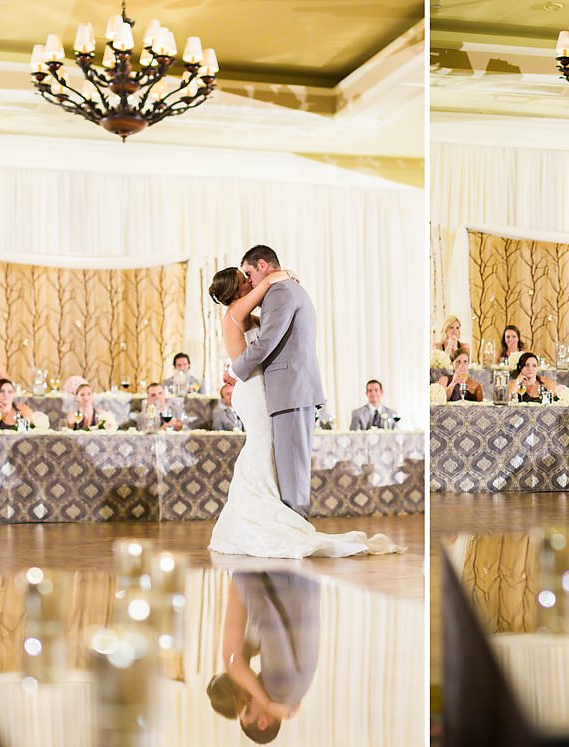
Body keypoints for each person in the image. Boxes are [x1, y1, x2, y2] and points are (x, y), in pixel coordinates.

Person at [207, 253, 400, 558]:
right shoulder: (234, 312)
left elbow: (270, 327)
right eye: (245, 279)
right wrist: (274, 276)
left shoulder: (246, 314)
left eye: (250, 275)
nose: (250, 282)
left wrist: (276, 278)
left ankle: (269, 516)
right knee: (263, 447)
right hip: (254, 388)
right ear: (237, 289)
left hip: (264, 387)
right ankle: (270, 519)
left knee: (266, 451)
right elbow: (264, 331)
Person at [207, 571, 317, 741]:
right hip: (285, 575)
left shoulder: (236, 663)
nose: (251, 697)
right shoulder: (279, 691)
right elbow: (268, 621)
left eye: (245, 705)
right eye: (248, 710)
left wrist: (270, 704)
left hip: (282, 577)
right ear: (263, 722)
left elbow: (266, 617)